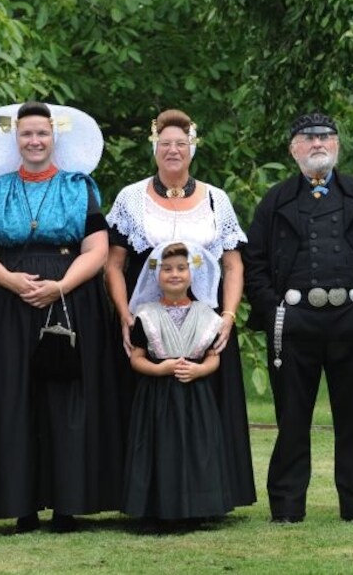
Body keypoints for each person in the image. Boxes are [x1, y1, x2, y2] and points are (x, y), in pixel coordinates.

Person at [0, 101, 123, 533]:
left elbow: (98, 251)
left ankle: (68, 503)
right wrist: (12, 282)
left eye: (42, 134)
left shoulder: (79, 188)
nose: (34, 141)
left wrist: (60, 286)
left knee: (67, 401)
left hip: (71, 302)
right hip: (7, 307)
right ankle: (21, 504)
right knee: (13, 399)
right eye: (27, 134)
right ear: (17, 140)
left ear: (54, 138)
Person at [242, 111, 353, 525]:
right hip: (294, 327)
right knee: (292, 420)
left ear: (337, 146)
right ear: (293, 148)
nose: (318, 144)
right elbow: (253, 263)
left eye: (326, 137)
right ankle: (287, 508)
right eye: (308, 138)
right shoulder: (275, 202)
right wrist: (276, 310)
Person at [105, 109, 255, 510]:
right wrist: (124, 313)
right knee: (145, 408)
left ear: (193, 148)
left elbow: (233, 264)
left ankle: (209, 496)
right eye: (165, 143)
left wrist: (227, 315)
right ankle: (145, 497)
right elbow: (114, 264)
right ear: (154, 147)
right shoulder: (130, 198)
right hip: (146, 322)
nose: (173, 150)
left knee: (206, 406)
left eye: (181, 143)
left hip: (205, 321)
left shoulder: (215, 200)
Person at [123, 241, 234, 528]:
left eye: (181, 269)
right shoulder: (145, 315)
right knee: (159, 449)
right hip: (156, 397)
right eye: (167, 269)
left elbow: (213, 358)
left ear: (192, 273)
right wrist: (160, 368)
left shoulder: (207, 315)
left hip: (195, 397)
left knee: (196, 449)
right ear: (155, 275)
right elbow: (136, 358)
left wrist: (199, 371)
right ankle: (156, 509)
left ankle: (196, 509)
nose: (175, 275)